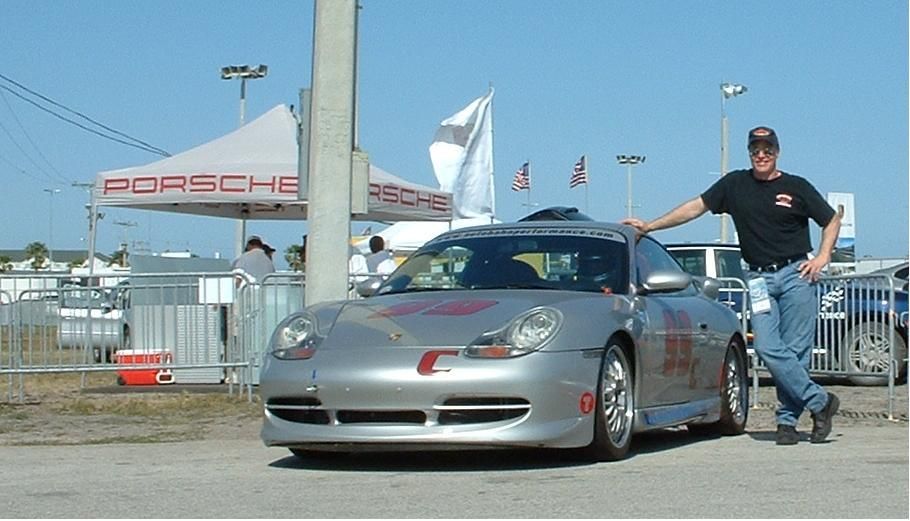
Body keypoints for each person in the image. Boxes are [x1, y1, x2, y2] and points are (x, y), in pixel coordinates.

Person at [622, 126, 841, 445]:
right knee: (766, 347)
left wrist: (822, 257)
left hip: (797, 274)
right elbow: (695, 207)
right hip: (759, 278)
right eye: (756, 150)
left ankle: (787, 422)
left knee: (796, 352)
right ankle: (820, 402)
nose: (761, 155)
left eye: (767, 150)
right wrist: (651, 224)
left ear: (777, 152)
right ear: (750, 153)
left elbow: (831, 219)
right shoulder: (735, 184)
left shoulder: (797, 186)